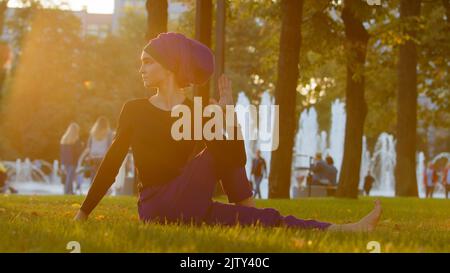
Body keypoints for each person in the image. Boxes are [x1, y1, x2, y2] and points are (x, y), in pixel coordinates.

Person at [74, 32, 382, 232]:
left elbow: (233, 156)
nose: (141, 69)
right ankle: (246, 207)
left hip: (190, 203)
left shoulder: (196, 110)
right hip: (157, 203)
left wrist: (227, 115)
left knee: (265, 220)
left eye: (147, 62)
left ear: (168, 67)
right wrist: (83, 213)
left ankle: (344, 229)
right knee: (220, 144)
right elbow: (112, 162)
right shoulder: (135, 109)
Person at [81, 117, 113, 184]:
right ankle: (101, 188)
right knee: (102, 173)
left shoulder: (93, 132)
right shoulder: (109, 133)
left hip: (93, 156)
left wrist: (88, 156)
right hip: (103, 156)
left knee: (94, 173)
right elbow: (110, 146)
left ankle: (92, 188)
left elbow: (89, 146)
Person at [60, 122, 83, 195]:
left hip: (65, 161)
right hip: (73, 161)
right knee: (70, 177)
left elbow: (62, 152)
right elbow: (78, 151)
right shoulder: (76, 140)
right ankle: (67, 191)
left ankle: (70, 191)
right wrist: (82, 146)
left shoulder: (64, 139)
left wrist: (62, 162)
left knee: (69, 177)